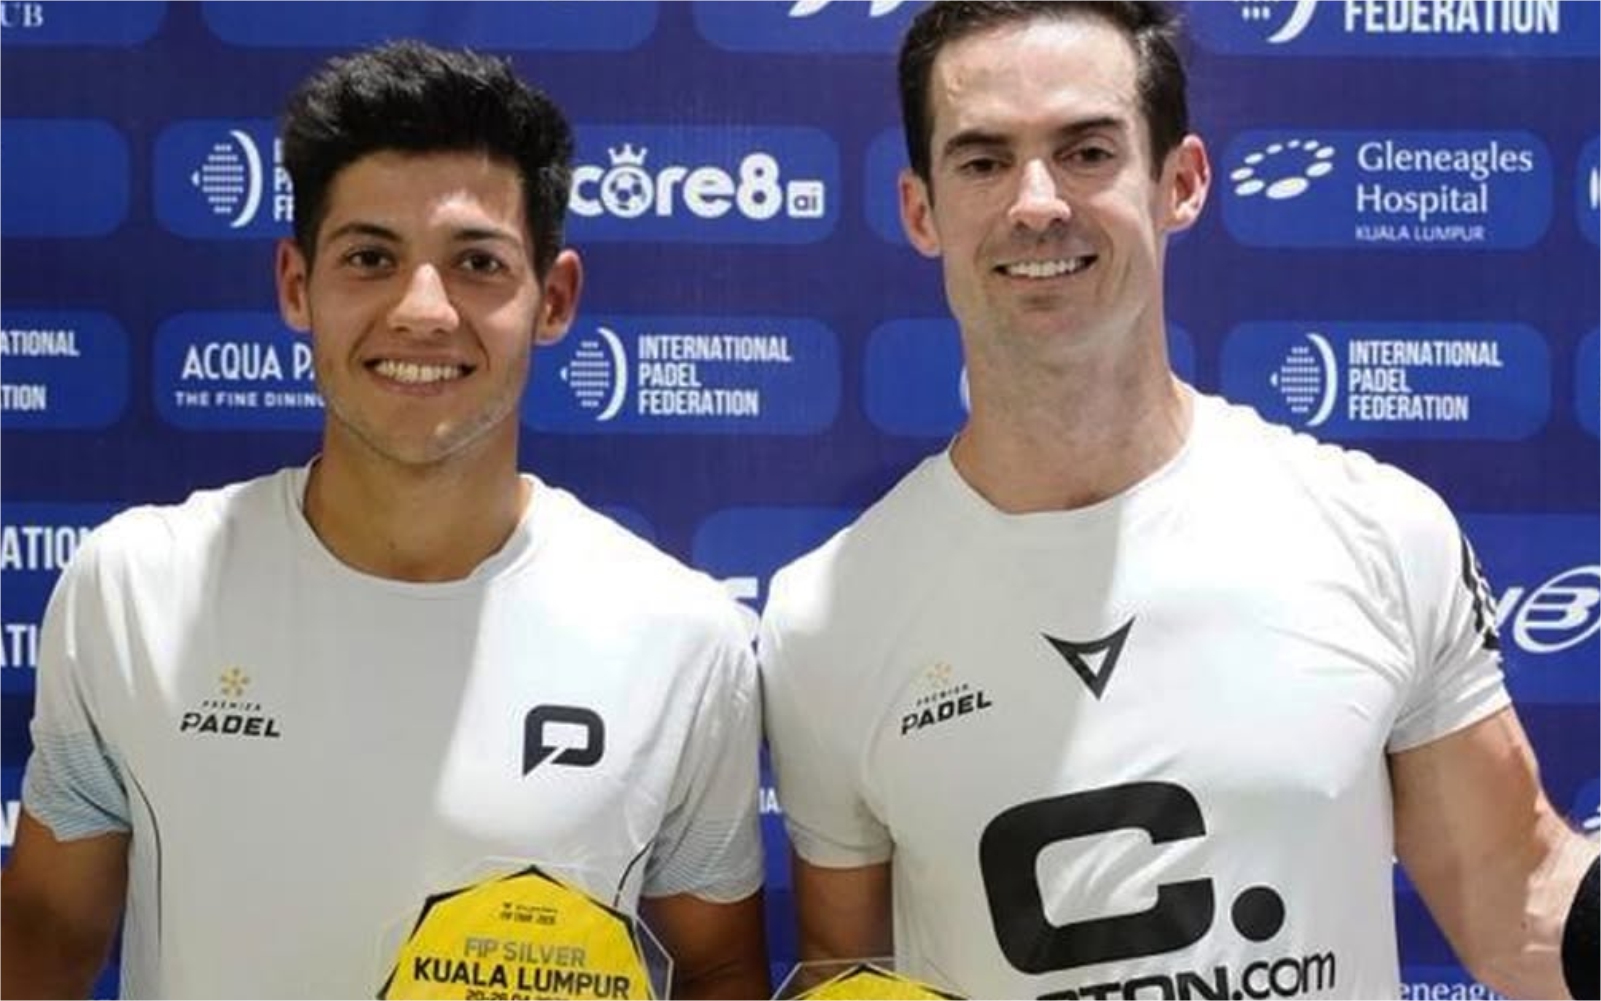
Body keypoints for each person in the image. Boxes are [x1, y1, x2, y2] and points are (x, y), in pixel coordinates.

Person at [758, 3, 1598, 999]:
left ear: (1181, 181)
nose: (1036, 203)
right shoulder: (824, 620)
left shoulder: (1375, 531)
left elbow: (1520, 905)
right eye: (983, 161)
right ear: (919, 210)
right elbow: (848, 977)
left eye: (1086, 152)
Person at [1, 41, 769, 1000]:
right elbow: (44, 934)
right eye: (370, 258)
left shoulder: (683, 636)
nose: (422, 310)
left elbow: (717, 968)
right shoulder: (134, 588)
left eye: (477, 263)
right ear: (296, 285)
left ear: (555, 298)